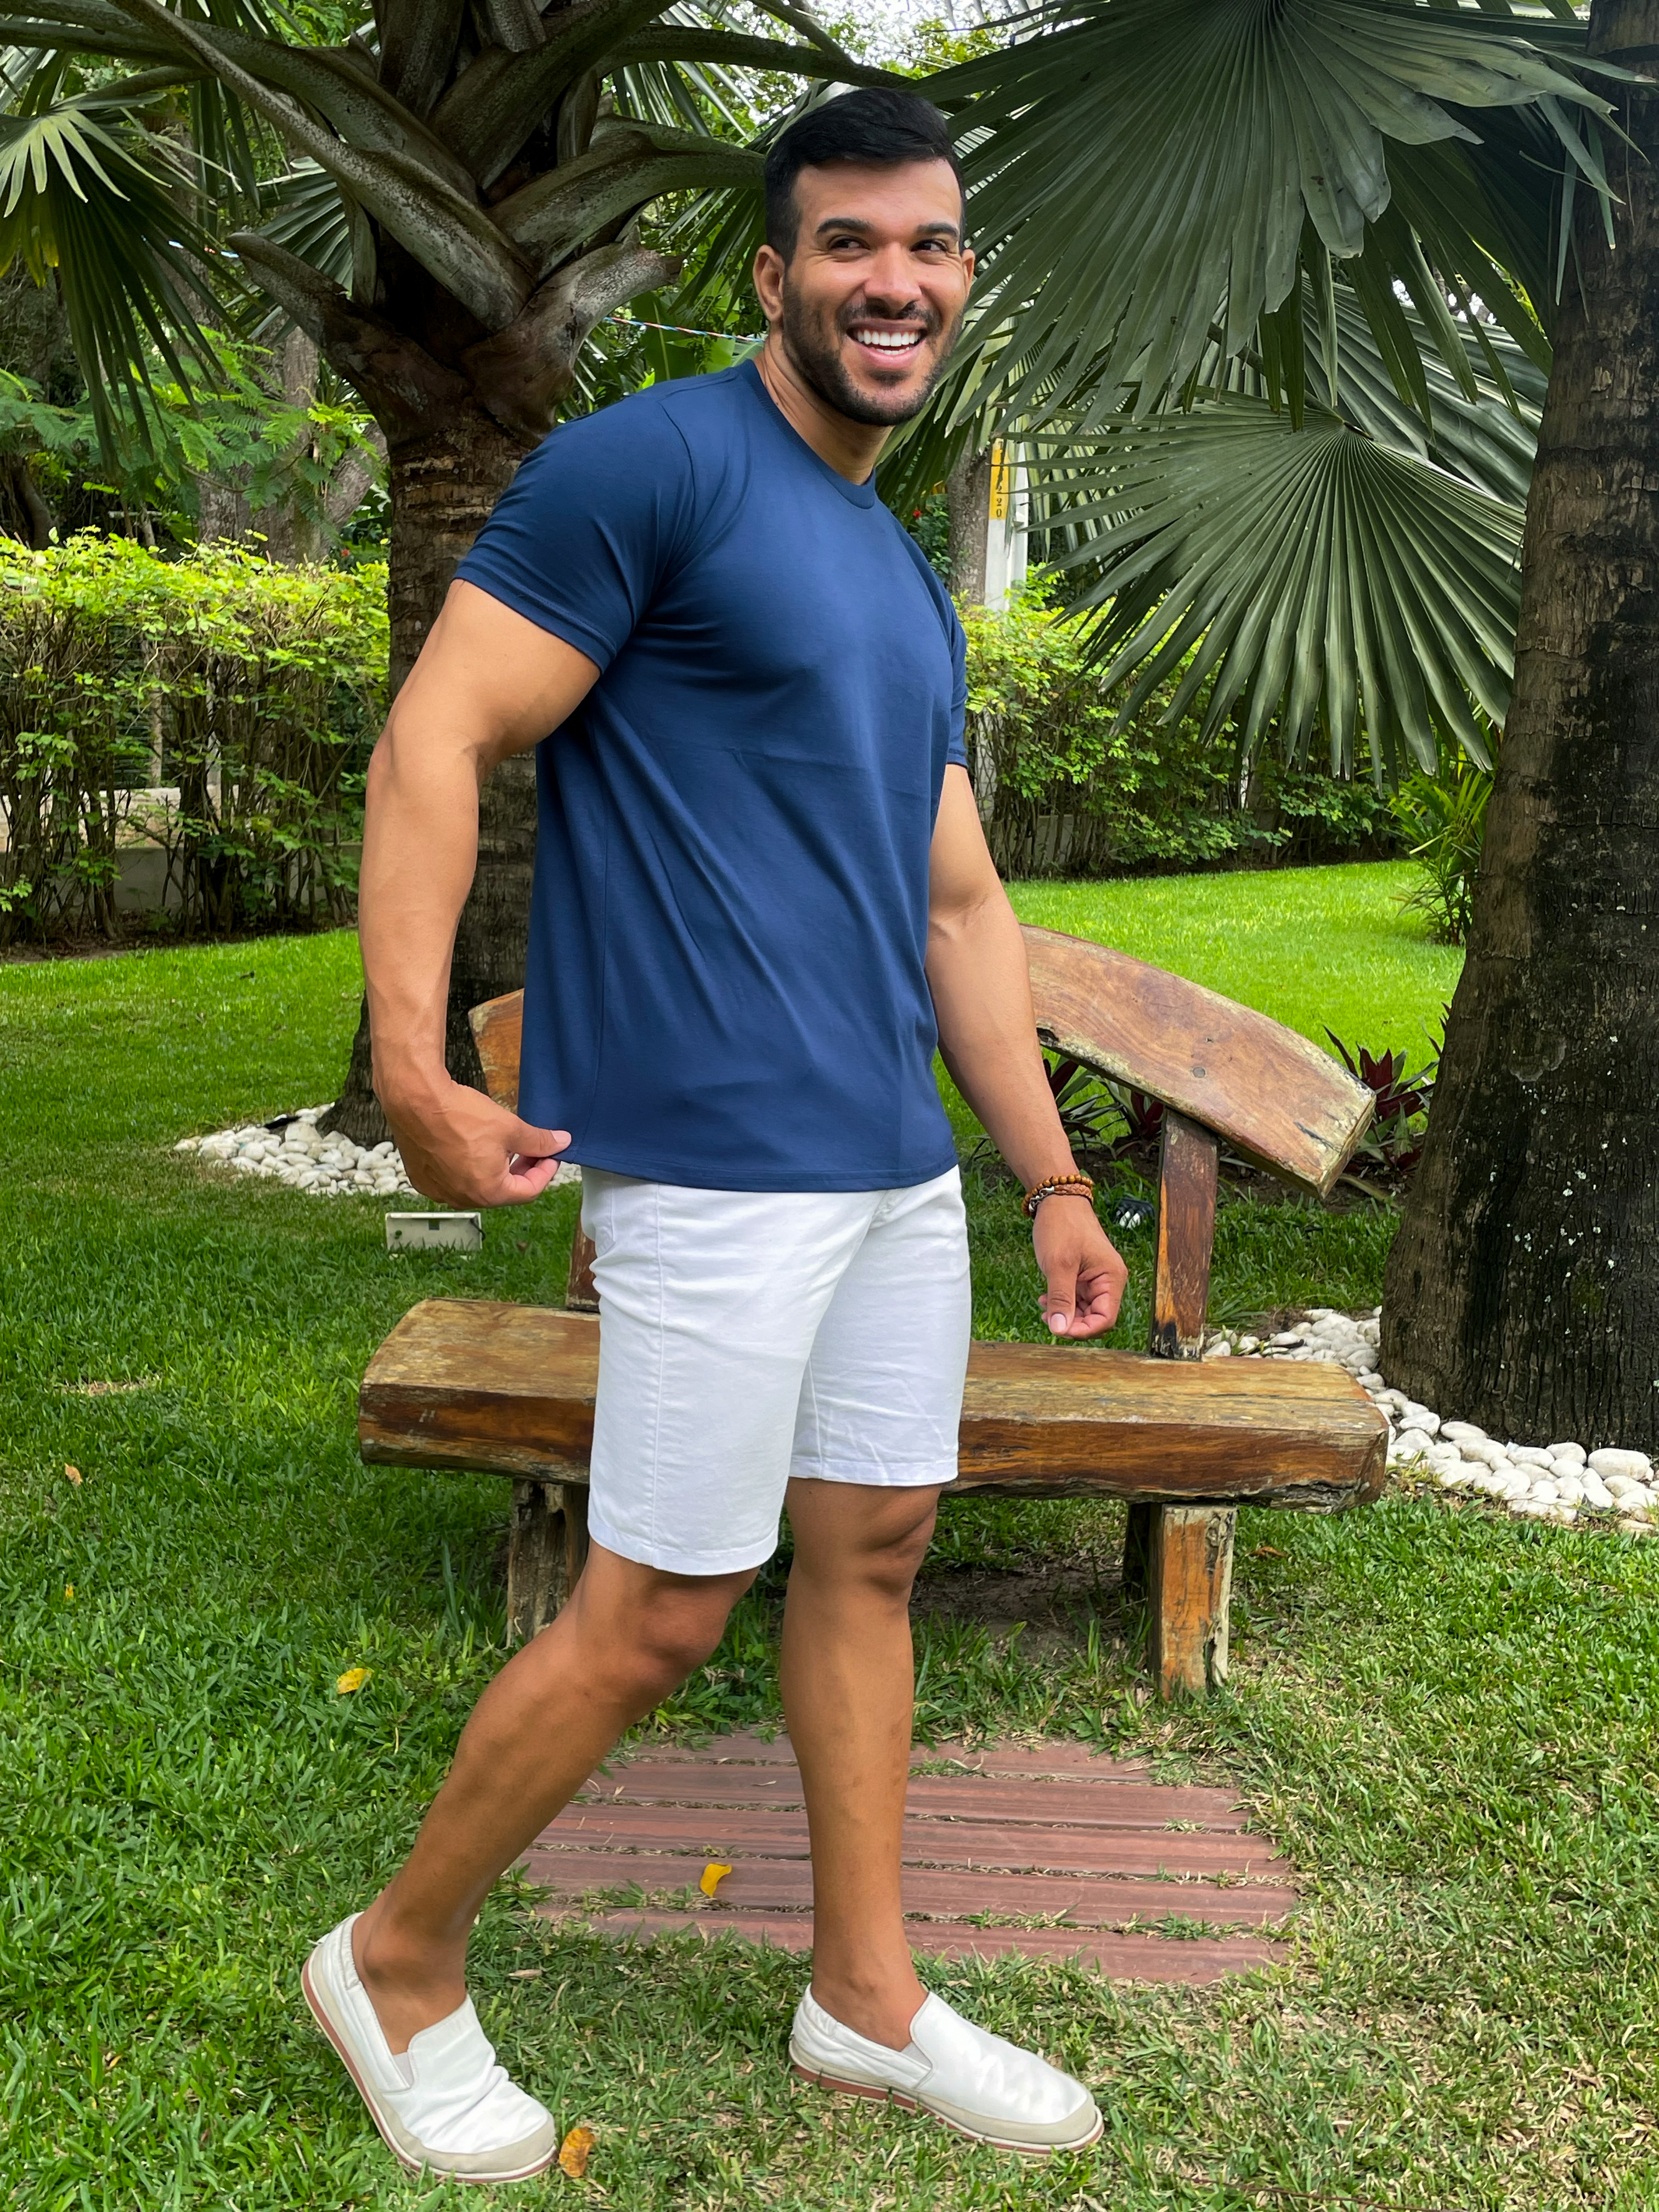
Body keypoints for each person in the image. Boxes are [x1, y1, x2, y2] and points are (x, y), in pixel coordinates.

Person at [300, 86, 1127, 2182]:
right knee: (666, 1603)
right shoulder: (650, 466)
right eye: (850, 243)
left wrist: (1047, 1179)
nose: (896, 281)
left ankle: (865, 1997)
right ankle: (395, 1964)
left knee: (873, 1554)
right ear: (776, 272)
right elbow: (443, 732)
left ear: (962, 280)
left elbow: (957, 903)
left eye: (929, 247)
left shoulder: (889, 571)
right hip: (715, 1166)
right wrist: (412, 1062)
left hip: (890, 1172)